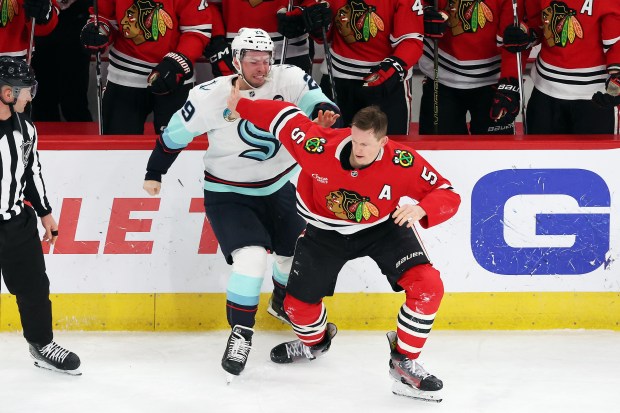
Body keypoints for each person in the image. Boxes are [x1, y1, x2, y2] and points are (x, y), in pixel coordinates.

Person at [226, 81, 461, 401]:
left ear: (384, 141)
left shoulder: (402, 162)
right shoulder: (318, 145)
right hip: (324, 232)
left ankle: (404, 361)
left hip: (383, 227)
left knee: (428, 286)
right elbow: (282, 116)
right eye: (355, 140)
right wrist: (240, 104)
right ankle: (315, 344)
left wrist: (422, 207)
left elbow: (447, 193)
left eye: (367, 144)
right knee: (296, 308)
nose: (358, 150)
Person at [142, 28, 340, 380]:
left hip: (278, 186)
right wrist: (155, 171)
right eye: (253, 61)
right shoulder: (209, 95)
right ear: (236, 61)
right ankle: (241, 333)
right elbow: (174, 135)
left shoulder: (289, 77)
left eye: (266, 60)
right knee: (250, 260)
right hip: (228, 193)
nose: (262, 68)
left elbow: (318, 100)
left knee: (294, 253)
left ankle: (281, 300)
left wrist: (324, 113)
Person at [0, 56, 81, 375]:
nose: (30, 96)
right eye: (25, 90)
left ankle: (42, 344)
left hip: (16, 223)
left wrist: (46, 213)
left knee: (34, 287)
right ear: (8, 93)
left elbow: (31, 171)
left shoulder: (26, 128)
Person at [281, 0, 425, 135]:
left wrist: (391, 70)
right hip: (337, 79)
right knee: (327, 146)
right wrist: (312, 20)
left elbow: (411, 41)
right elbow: (323, 30)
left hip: (386, 84)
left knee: (388, 150)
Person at [79, 0, 214, 134]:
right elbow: (104, 17)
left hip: (174, 78)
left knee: (178, 148)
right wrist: (100, 31)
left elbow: (197, 29)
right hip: (124, 76)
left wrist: (176, 64)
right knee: (119, 148)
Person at [503, 0, 620, 134]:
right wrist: (526, 35)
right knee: (540, 154)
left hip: (594, 97)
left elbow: (616, 42)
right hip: (545, 91)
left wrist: (617, 79)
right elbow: (537, 24)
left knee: (595, 155)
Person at [418, 0, 526, 135]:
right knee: (439, 150)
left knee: (494, 153)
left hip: (492, 82)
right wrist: (425, 10)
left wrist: (510, 83)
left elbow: (513, 39)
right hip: (441, 77)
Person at [203, 0, 315, 78]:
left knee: (291, 110)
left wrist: (302, 14)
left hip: (291, 51)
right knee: (237, 109)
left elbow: (316, 3)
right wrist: (217, 40)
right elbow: (208, 5)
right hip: (235, 53)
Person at [32, 0, 93, 122]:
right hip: (40, 19)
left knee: (74, 100)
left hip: (75, 20)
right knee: (42, 100)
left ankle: (82, 139)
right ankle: (43, 140)